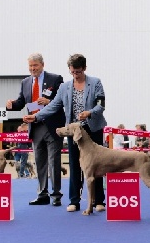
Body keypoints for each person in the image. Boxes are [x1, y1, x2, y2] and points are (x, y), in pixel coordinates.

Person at [24, 54, 107, 213]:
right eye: (73, 72)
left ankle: (98, 201)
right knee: (75, 164)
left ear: (84, 68)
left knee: (95, 166)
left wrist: (89, 112)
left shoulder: (95, 83)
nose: (75, 75)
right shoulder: (64, 87)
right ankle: (74, 201)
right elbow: (53, 106)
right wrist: (36, 116)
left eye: (78, 72)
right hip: (73, 132)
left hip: (92, 129)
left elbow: (101, 105)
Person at [6, 53, 65, 206]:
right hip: (35, 126)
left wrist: (49, 101)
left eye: (35, 66)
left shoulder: (55, 79)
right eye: (30, 66)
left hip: (52, 126)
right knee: (39, 161)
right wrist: (12, 105)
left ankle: (56, 194)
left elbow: (63, 100)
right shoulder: (25, 82)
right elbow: (21, 102)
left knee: (54, 161)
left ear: (42, 65)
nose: (33, 69)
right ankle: (42, 194)